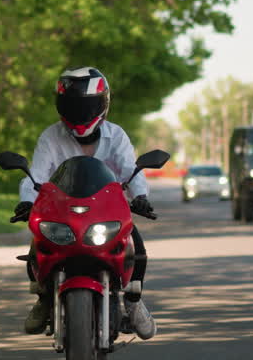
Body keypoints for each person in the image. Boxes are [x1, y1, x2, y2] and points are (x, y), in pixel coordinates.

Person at [12, 66, 157, 339]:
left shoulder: (117, 135)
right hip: (62, 209)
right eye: (73, 105)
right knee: (37, 247)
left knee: (137, 248)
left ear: (102, 105)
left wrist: (140, 197)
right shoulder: (50, 136)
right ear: (61, 106)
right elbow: (38, 174)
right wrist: (26, 201)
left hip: (107, 210)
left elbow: (130, 170)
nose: (80, 112)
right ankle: (44, 299)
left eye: (87, 105)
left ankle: (134, 301)